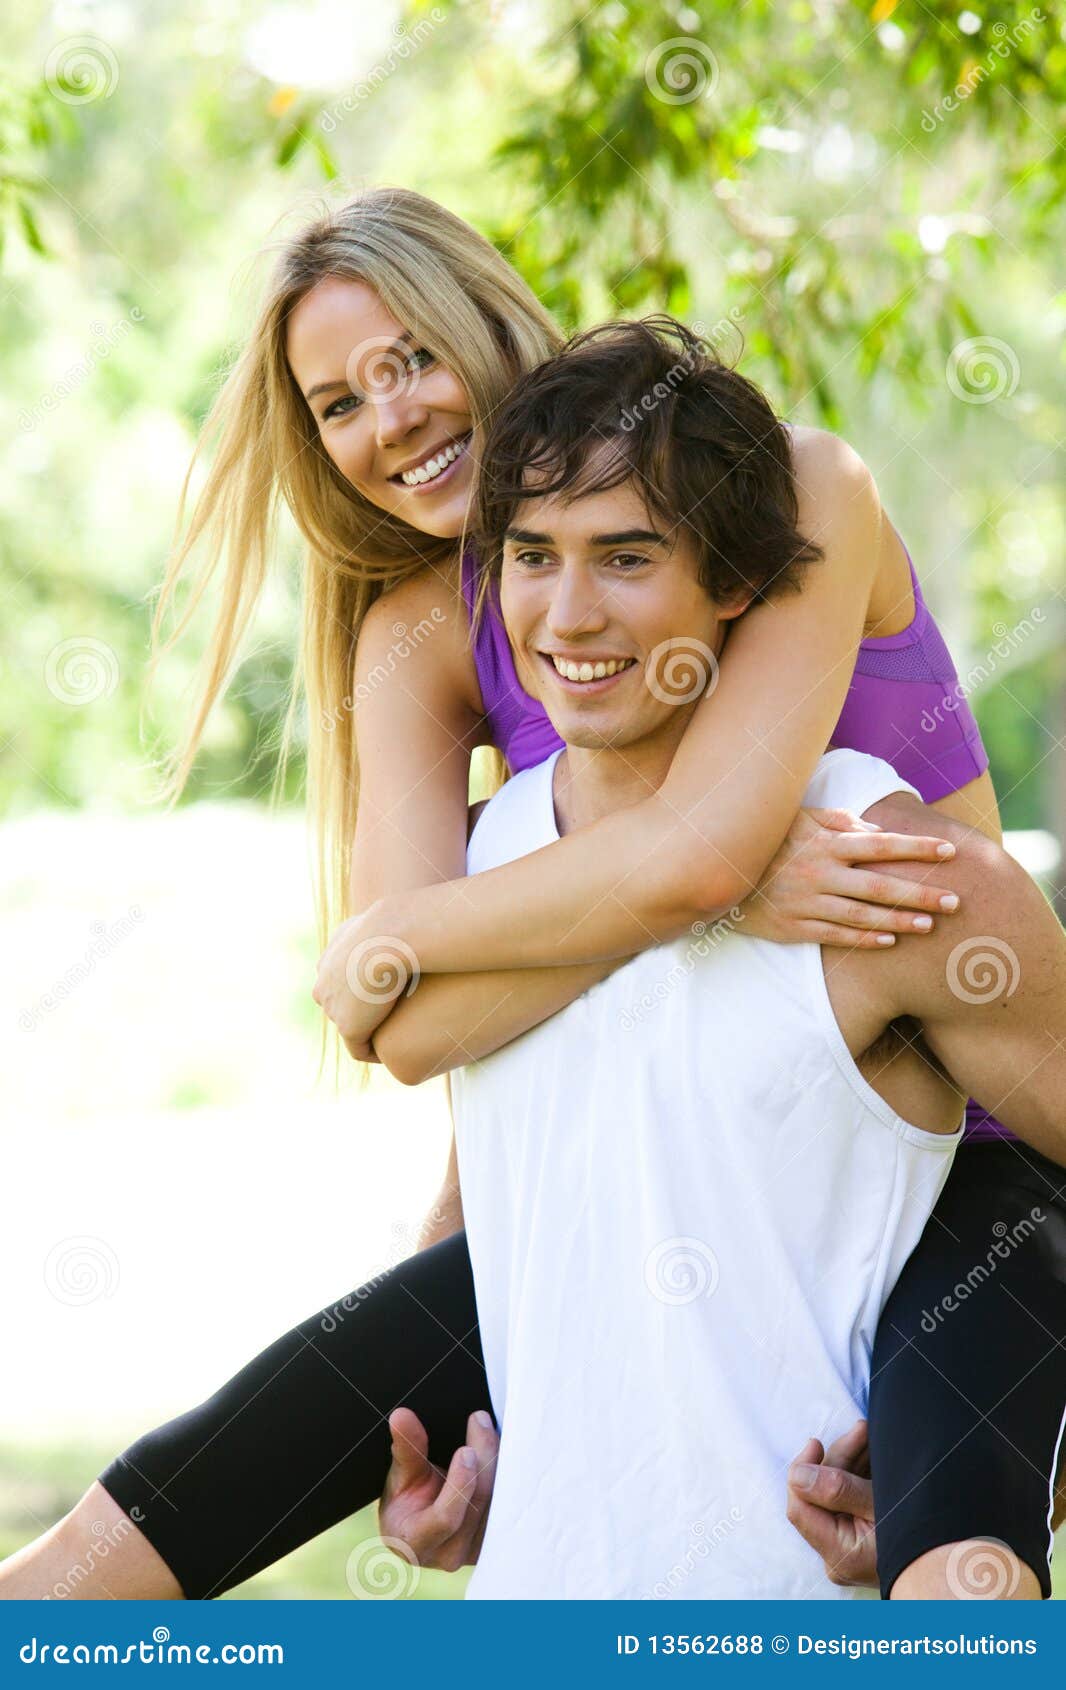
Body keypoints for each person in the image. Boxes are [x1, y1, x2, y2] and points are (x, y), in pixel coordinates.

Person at [0, 189, 1056, 1601]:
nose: (389, 418)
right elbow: (445, 1025)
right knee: (105, 1553)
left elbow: (685, 857)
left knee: (954, 1571)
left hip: (965, 1131)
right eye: (335, 402)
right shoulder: (428, 629)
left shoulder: (790, 489)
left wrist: (389, 944)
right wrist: (480, 1365)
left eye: (410, 358)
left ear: (494, 324)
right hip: (694, 1159)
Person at [367, 317, 1066, 1598]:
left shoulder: (903, 882)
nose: (568, 614)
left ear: (735, 584)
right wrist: (472, 1421)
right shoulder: (482, 874)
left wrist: (997, 1458)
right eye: (532, 555)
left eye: (626, 558)